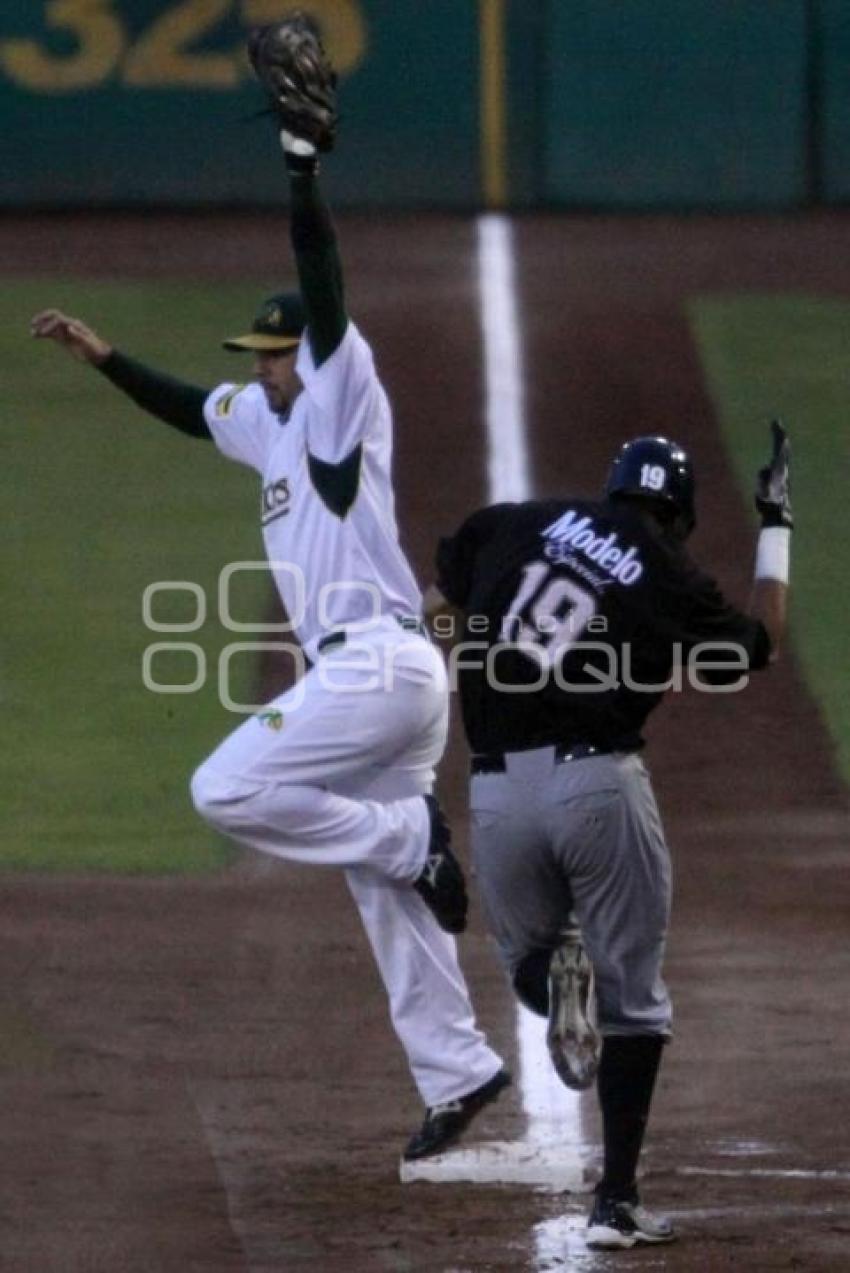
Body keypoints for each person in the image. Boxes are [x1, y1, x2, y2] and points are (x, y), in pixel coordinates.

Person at [30, 78, 510, 1163]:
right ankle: (460, 1069)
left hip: (379, 667)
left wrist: (301, 167)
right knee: (389, 893)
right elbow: (189, 410)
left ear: (313, 357)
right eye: (255, 355)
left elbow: (323, 280)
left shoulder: (341, 393)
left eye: (276, 353)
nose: (261, 367)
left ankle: (408, 834)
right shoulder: (264, 418)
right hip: (388, 687)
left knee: (230, 788)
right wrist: (103, 360)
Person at [425, 428, 792, 1247]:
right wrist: (776, 523)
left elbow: (436, 606)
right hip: (598, 784)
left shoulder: (517, 521)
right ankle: (615, 1204)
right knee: (635, 1006)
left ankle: (556, 980)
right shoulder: (669, 572)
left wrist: (476, 662)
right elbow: (758, 644)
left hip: (496, 788)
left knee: (528, 972)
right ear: (680, 515)